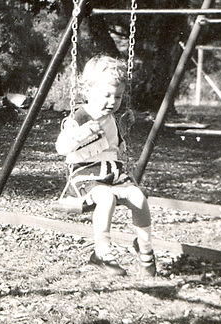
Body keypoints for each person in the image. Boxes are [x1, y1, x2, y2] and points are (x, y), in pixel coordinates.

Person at [55, 55, 156, 277]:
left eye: (118, 96)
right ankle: (101, 252)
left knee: (139, 198)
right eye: (107, 95)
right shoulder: (80, 116)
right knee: (107, 198)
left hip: (113, 173)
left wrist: (122, 141)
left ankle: (146, 250)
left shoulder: (111, 119)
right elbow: (61, 147)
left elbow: (115, 146)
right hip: (86, 176)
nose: (112, 101)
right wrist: (83, 133)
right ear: (88, 91)